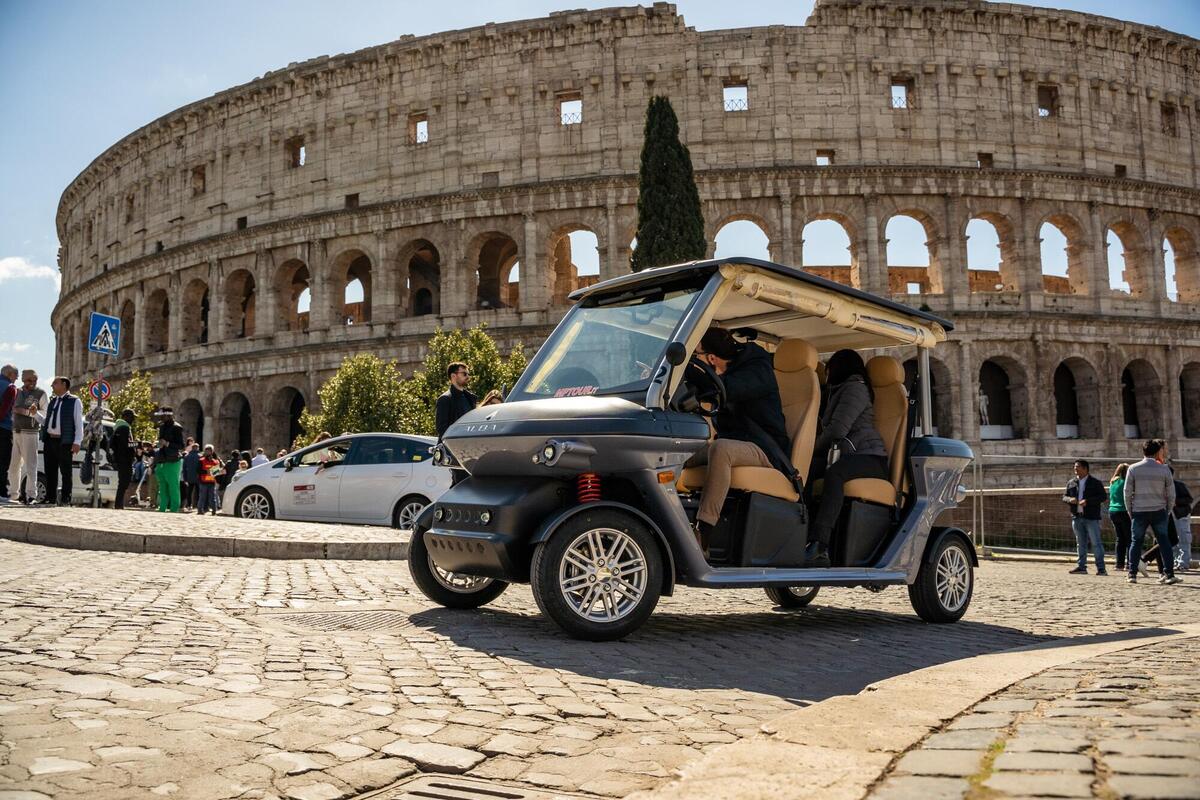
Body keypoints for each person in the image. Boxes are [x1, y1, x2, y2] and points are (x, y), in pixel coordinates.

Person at [685, 328, 791, 552]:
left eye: (698, 356)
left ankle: (704, 531)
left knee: (721, 449)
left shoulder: (757, 369)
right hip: (737, 442)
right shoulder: (727, 375)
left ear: (711, 357)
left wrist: (700, 377)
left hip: (766, 447)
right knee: (682, 450)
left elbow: (730, 389)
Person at [807, 350, 888, 568]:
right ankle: (799, 531)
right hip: (847, 454)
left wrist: (808, 448)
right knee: (801, 471)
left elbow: (837, 430)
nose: (827, 373)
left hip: (870, 457)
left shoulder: (855, 389)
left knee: (836, 473)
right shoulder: (836, 390)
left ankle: (820, 544)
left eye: (830, 368)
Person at [1124, 438, 1180, 585]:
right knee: (1164, 542)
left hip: (1139, 510)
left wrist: (1130, 510)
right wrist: (1167, 510)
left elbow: (1127, 492)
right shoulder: (1164, 469)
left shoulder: (1133, 468)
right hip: (1158, 510)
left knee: (1136, 542)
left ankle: (1132, 574)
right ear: (1157, 452)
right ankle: (1169, 574)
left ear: (1143, 451)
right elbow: (1171, 493)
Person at [39, 377, 83, 505]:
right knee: (50, 471)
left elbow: (78, 423)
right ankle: (50, 498)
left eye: (55, 383)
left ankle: (65, 499)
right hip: (50, 441)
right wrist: (36, 414)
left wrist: (77, 442)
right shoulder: (53, 402)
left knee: (65, 472)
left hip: (64, 442)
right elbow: (47, 422)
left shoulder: (74, 401)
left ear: (64, 385)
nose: (52, 385)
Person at [9, 370, 47, 504]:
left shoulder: (41, 394)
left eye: (32, 380)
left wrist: (27, 412)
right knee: (14, 465)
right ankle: (14, 495)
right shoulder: (18, 391)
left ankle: (31, 495)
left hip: (30, 432)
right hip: (16, 432)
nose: (29, 383)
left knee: (31, 465)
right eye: (26, 380)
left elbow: (44, 417)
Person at [1063, 459, 1108, 575]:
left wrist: (1088, 501)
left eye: (1077, 467)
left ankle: (1101, 568)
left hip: (1091, 517)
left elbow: (1103, 496)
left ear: (1085, 468)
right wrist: (1069, 499)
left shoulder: (1095, 482)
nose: (1075, 469)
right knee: (1080, 543)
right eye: (1074, 467)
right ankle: (1081, 567)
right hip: (1077, 517)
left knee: (1096, 543)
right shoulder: (1071, 483)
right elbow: (1064, 497)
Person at [153, 407, 185, 513]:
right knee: (162, 487)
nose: (161, 417)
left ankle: (174, 509)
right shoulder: (162, 427)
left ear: (169, 415)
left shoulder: (177, 428)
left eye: (163, 415)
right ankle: (162, 508)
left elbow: (181, 445)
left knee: (173, 486)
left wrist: (167, 444)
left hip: (173, 460)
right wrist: (159, 444)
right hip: (161, 460)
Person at [436, 362, 477, 438]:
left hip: (469, 445)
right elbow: (442, 429)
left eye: (468, 374)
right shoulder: (445, 399)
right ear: (453, 376)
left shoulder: (470, 398)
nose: (468, 377)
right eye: (464, 374)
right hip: (453, 446)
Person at [111, 409, 137, 510]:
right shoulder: (124, 428)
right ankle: (118, 504)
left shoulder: (119, 428)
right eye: (132, 417)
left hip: (122, 460)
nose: (133, 419)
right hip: (124, 460)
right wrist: (137, 444)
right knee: (124, 482)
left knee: (123, 482)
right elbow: (125, 445)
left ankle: (119, 504)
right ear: (126, 417)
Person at [1108, 463, 1131, 572]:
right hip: (1124, 511)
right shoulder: (1126, 482)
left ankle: (1119, 564)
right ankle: (1130, 564)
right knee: (1130, 539)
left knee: (1120, 538)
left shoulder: (1113, 482)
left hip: (1113, 511)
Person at [0, 364, 17, 502]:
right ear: (10, 375)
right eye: (16, 377)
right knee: (3, 461)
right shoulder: (10, 388)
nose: (16, 380)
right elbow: (5, 409)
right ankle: (2, 492)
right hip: (3, 428)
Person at [197, 445, 222, 515]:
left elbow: (217, 472)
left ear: (212, 452)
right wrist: (207, 472)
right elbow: (198, 471)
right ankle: (200, 510)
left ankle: (214, 510)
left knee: (212, 498)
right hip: (203, 482)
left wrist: (218, 472)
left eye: (209, 451)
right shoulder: (201, 461)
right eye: (206, 451)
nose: (208, 452)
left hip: (211, 482)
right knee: (202, 497)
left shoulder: (216, 462)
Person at [181, 442, 201, 512]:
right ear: (197, 448)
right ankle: (198, 505)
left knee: (189, 492)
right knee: (198, 492)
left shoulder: (187, 456)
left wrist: (185, 478)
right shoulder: (200, 456)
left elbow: (184, 468)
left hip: (189, 477)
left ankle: (189, 505)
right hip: (198, 477)